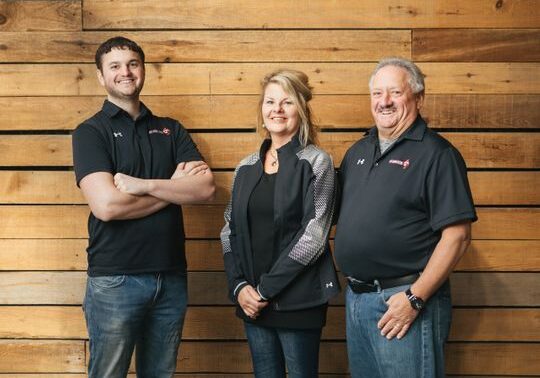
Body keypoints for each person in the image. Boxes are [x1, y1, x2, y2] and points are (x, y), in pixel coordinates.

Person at [72, 36, 215, 378]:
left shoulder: (170, 129)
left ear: (143, 69)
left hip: (170, 277)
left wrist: (145, 186)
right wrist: (174, 188)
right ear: (100, 76)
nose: (126, 72)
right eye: (115, 66)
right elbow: (106, 206)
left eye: (133, 64)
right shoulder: (90, 132)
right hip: (115, 280)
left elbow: (205, 188)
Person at [334, 57, 477, 378]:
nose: (384, 102)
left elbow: (457, 236)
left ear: (418, 97)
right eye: (377, 93)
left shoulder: (437, 154)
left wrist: (414, 298)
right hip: (357, 299)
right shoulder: (358, 151)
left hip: (404, 300)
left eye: (395, 92)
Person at [220, 69, 340, 377]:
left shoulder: (317, 162)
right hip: (252, 302)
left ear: (300, 108)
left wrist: (264, 290)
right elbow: (228, 229)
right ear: (261, 110)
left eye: (286, 102)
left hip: (297, 300)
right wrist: (239, 287)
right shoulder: (245, 167)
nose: (277, 109)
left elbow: (314, 235)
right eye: (270, 102)